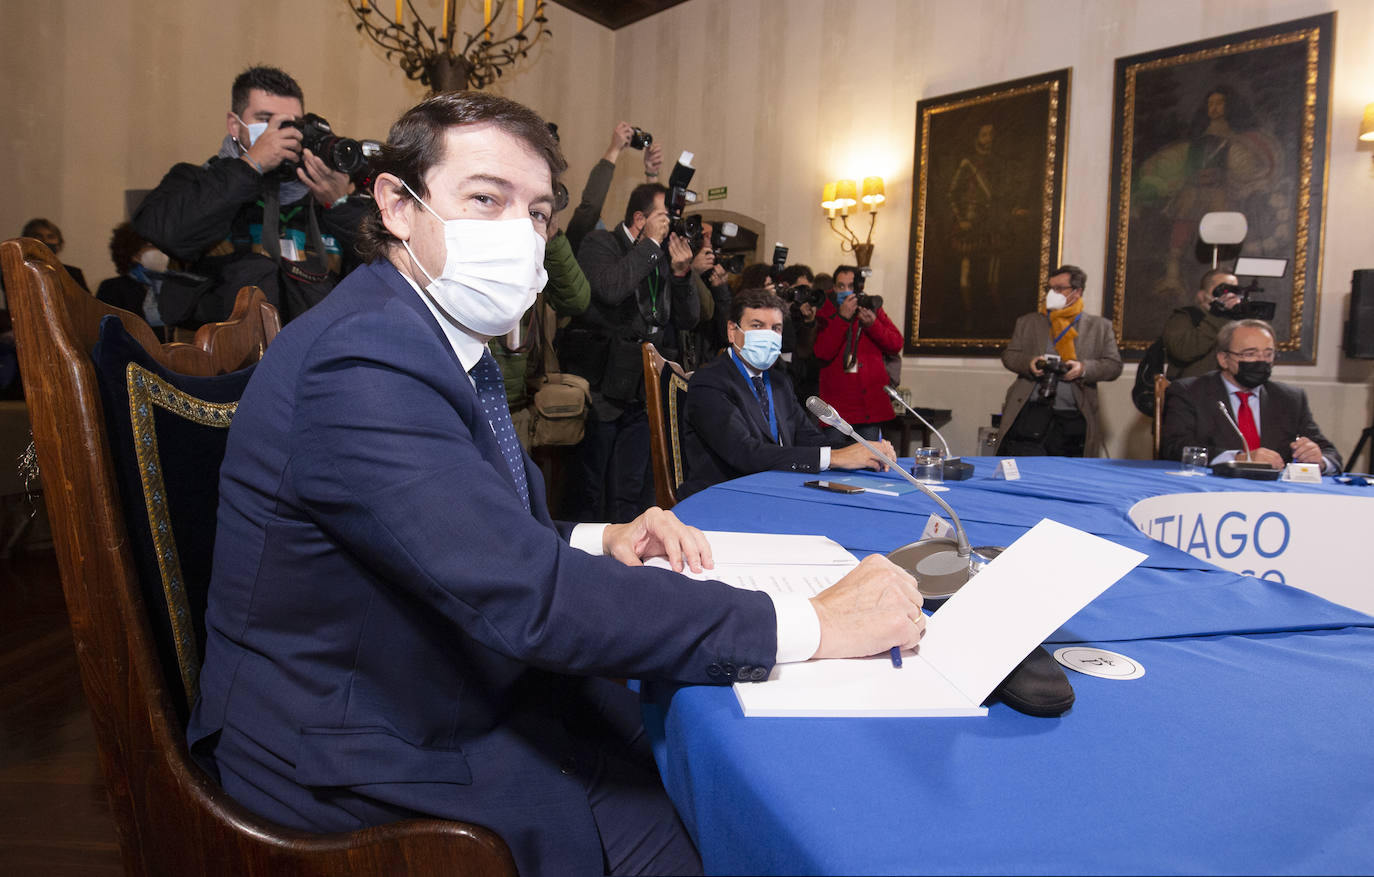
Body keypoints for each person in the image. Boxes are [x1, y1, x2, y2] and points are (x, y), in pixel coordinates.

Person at [189, 91, 926, 877]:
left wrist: (599, 537)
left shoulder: (432, 338)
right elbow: (527, 596)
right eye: (485, 198)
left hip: (447, 681)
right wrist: (810, 622)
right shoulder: (364, 359)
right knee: (729, 822)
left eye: (537, 212)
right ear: (398, 206)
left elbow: (471, 533)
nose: (520, 232)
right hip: (360, 750)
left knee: (723, 780)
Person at [134, 66, 369, 326]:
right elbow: (166, 232)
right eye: (265, 120)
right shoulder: (197, 180)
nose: (279, 133)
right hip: (223, 359)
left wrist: (338, 204)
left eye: (291, 124)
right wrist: (251, 166)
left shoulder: (321, 197)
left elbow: (388, 267)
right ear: (235, 125)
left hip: (311, 358)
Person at [563, 183, 700, 522]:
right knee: (590, 484)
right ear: (640, 218)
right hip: (603, 387)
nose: (669, 227)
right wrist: (652, 244)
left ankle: (627, 554)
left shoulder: (662, 255)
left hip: (644, 388)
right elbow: (611, 289)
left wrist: (682, 275)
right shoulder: (601, 243)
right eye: (663, 218)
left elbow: (688, 319)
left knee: (632, 484)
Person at [679, 289, 894, 499]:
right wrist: (836, 457)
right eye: (757, 325)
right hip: (724, 497)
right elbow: (745, 453)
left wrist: (864, 450)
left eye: (776, 328)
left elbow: (809, 439)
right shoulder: (709, 381)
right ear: (732, 331)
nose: (768, 335)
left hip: (776, 490)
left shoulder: (779, 381)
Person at [1160, 319, 1341, 472]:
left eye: (1268, 354)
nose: (1261, 361)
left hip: (1276, 495)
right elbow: (1174, 448)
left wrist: (1319, 461)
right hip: (1213, 491)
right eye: (1250, 354)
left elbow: (1330, 454)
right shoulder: (1190, 392)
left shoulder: (1290, 399)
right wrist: (1238, 458)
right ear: (1224, 359)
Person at [997, 265, 1122, 457]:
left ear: (1076, 292)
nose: (1052, 294)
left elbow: (1113, 366)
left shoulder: (1099, 327)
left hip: (1073, 416)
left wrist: (1083, 368)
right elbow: (1009, 356)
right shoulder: (1029, 322)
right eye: (1049, 288)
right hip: (1031, 412)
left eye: (1059, 288)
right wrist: (1029, 363)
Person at [813, 265, 904, 441]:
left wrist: (873, 325)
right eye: (841, 286)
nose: (846, 291)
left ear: (859, 288)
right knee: (836, 460)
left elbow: (896, 344)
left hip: (869, 408)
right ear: (834, 287)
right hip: (837, 411)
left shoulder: (871, 309)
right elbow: (822, 353)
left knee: (870, 460)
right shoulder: (826, 310)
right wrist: (842, 318)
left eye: (850, 286)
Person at [562, 121, 664, 254]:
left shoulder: (633, 256)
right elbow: (592, 206)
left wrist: (652, 172)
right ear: (638, 219)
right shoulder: (586, 240)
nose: (663, 222)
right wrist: (614, 149)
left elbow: (654, 219)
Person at [1161, 268, 1243, 379]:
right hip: (1193, 389)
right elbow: (1183, 352)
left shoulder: (1239, 321)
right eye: (1224, 290)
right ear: (1202, 295)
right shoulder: (1185, 317)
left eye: (1235, 290)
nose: (1230, 296)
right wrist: (1217, 315)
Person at [95, 222, 172, 337]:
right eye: (152, 246)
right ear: (134, 254)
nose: (160, 252)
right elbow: (107, 333)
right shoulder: (112, 288)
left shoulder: (172, 286)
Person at [22, 218, 88, 291]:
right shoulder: (18, 271)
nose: (45, 241)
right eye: (38, 236)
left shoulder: (73, 274)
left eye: (51, 237)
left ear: (59, 243)